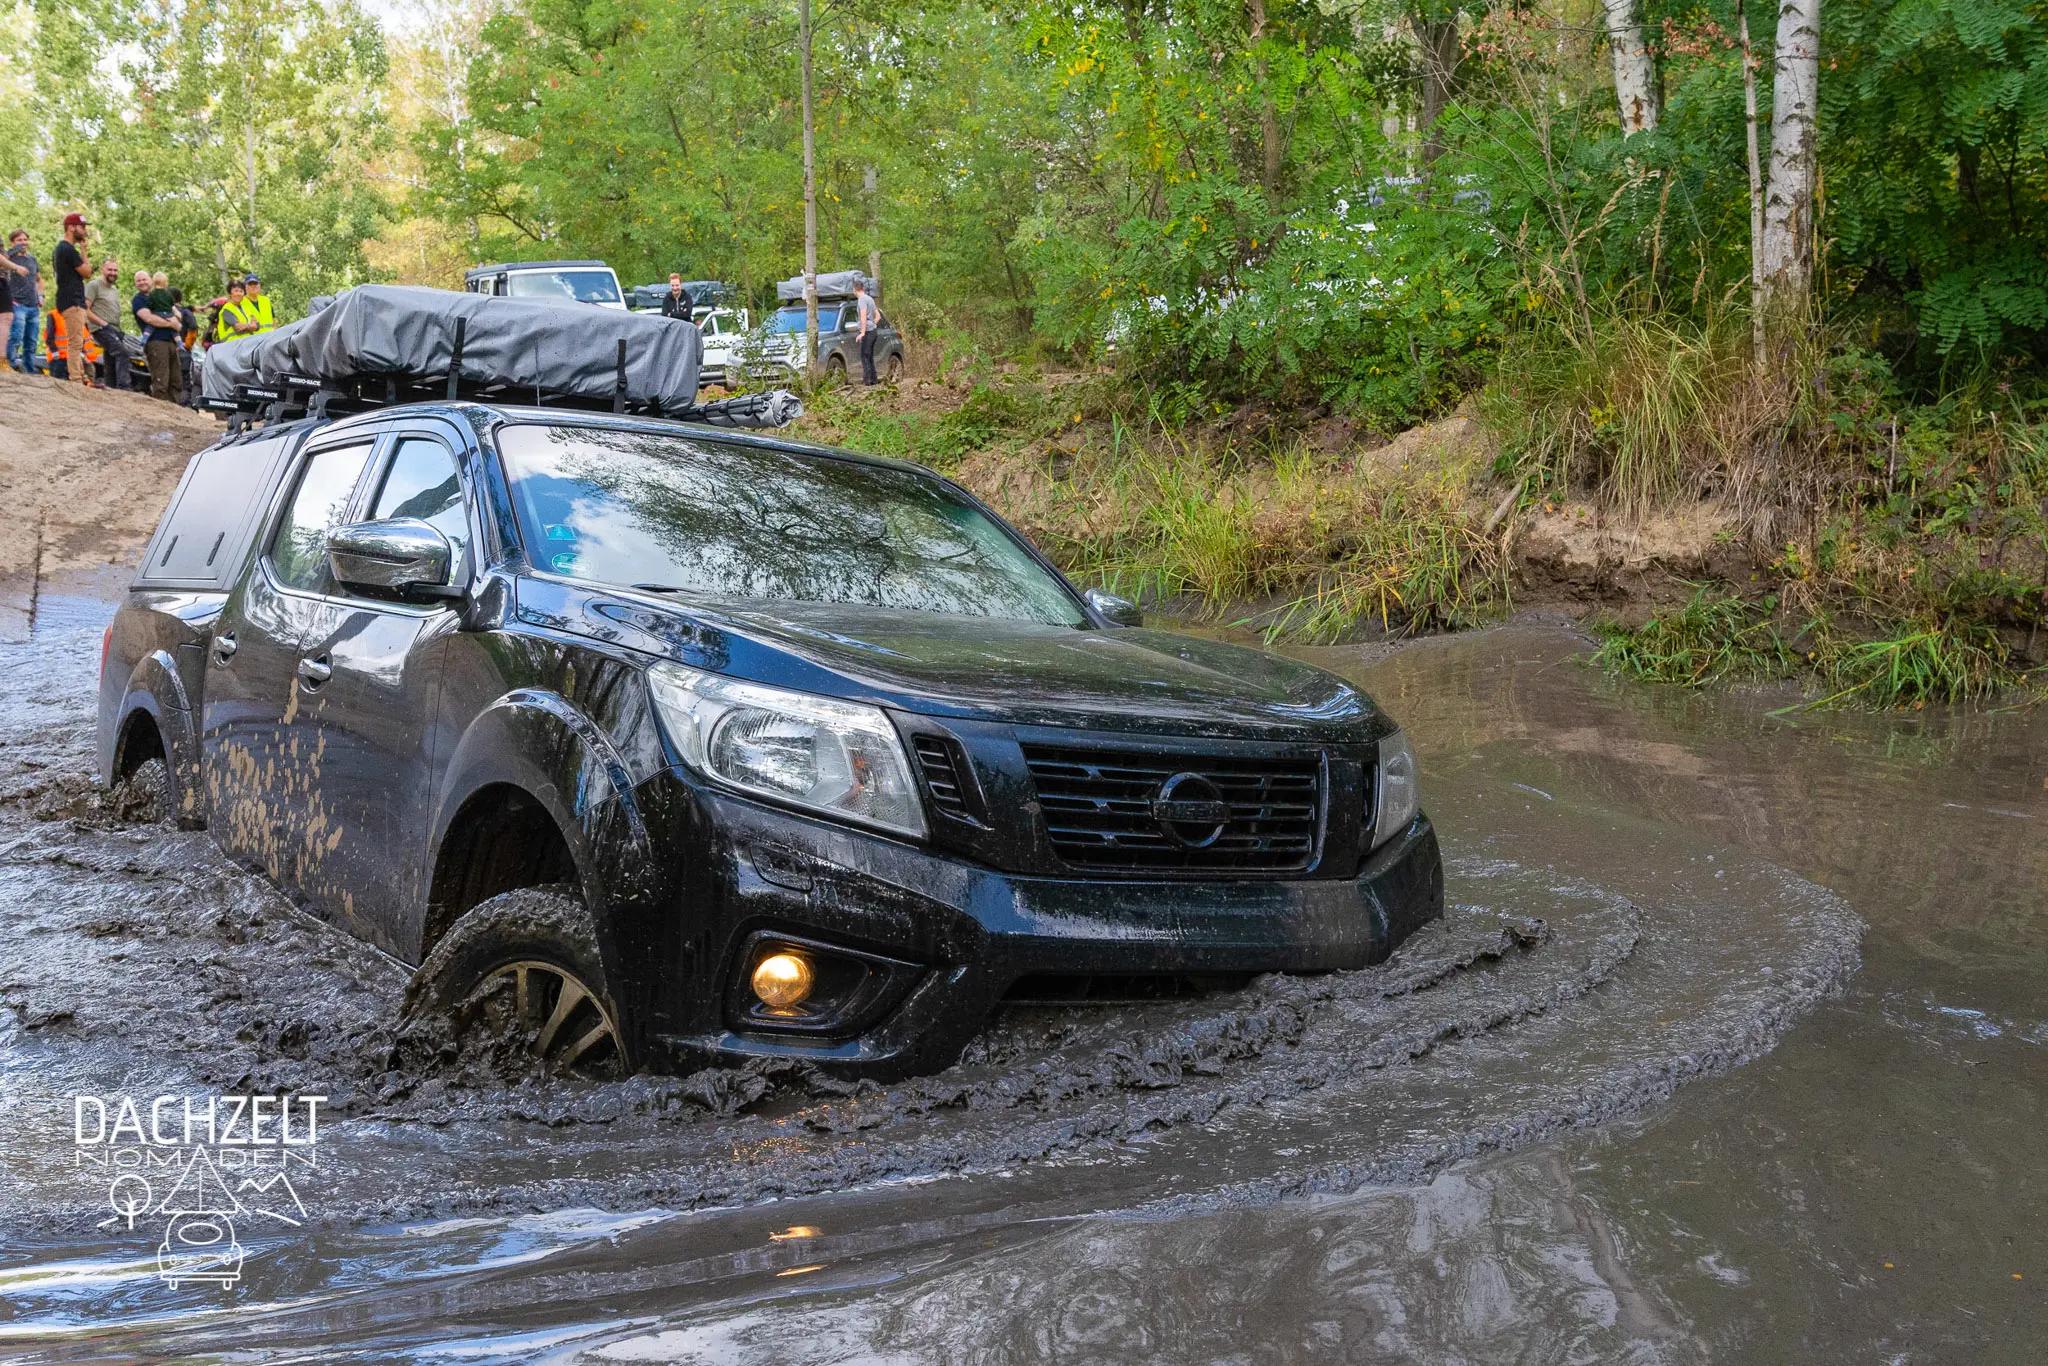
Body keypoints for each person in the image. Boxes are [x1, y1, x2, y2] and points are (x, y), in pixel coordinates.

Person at [51, 212, 94, 387]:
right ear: (71, 227)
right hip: (72, 301)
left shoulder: (66, 250)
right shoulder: (66, 249)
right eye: (82, 227)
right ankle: (75, 378)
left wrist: (82, 249)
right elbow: (87, 272)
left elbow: (83, 274)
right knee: (75, 342)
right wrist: (83, 252)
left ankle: (81, 375)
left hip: (73, 300)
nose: (84, 231)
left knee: (78, 340)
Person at [84, 256, 130, 390]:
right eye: (110, 269)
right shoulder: (94, 285)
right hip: (100, 327)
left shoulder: (114, 289)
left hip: (115, 328)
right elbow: (85, 309)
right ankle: (124, 387)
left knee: (110, 359)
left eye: (115, 270)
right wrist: (103, 324)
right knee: (123, 353)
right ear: (102, 270)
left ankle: (111, 388)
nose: (113, 273)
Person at [136, 276, 180, 402]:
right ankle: (161, 410)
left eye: (144, 279)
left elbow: (177, 314)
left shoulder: (164, 296)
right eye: (138, 280)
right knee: (161, 380)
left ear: (151, 281)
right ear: (135, 285)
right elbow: (150, 319)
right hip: (156, 342)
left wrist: (176, 320)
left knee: (176, 379)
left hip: (171, 341)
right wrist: (172, 323)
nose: (142, 282)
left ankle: (176, 410)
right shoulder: (139, 300)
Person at [6, 229, 43, 374]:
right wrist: (14, 250)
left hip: (33, 306)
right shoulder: (9, 258)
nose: (23, 243)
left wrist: (41, 296)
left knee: (31, 341)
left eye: (25, 240)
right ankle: (10, 365)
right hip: (17, 304)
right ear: (12, 242)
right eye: (19, 240)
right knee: (16, 337)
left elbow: (39, 280)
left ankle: (29, 369)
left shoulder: (32, 260)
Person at [853, 277, 880, 387]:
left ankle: (868, 380)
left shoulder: (862, 300)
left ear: (855, 290)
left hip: (868, 332)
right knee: (869, 356)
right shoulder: (870, 299)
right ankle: (873, 379)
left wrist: (863, 332)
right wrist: (873, 325)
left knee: (865, 356)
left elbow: (863, 316)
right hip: (873, 331)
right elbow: (878, 316)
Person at [212, 279, 249, 344]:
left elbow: (257, 325)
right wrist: (251, 326)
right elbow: (239, 329)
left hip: (244, 345)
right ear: (229, 293)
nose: (239, 294)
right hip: (231, 347)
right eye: (236, 291)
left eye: (241, 291)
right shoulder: (227, 309)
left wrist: (247, 326)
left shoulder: (245, 308)